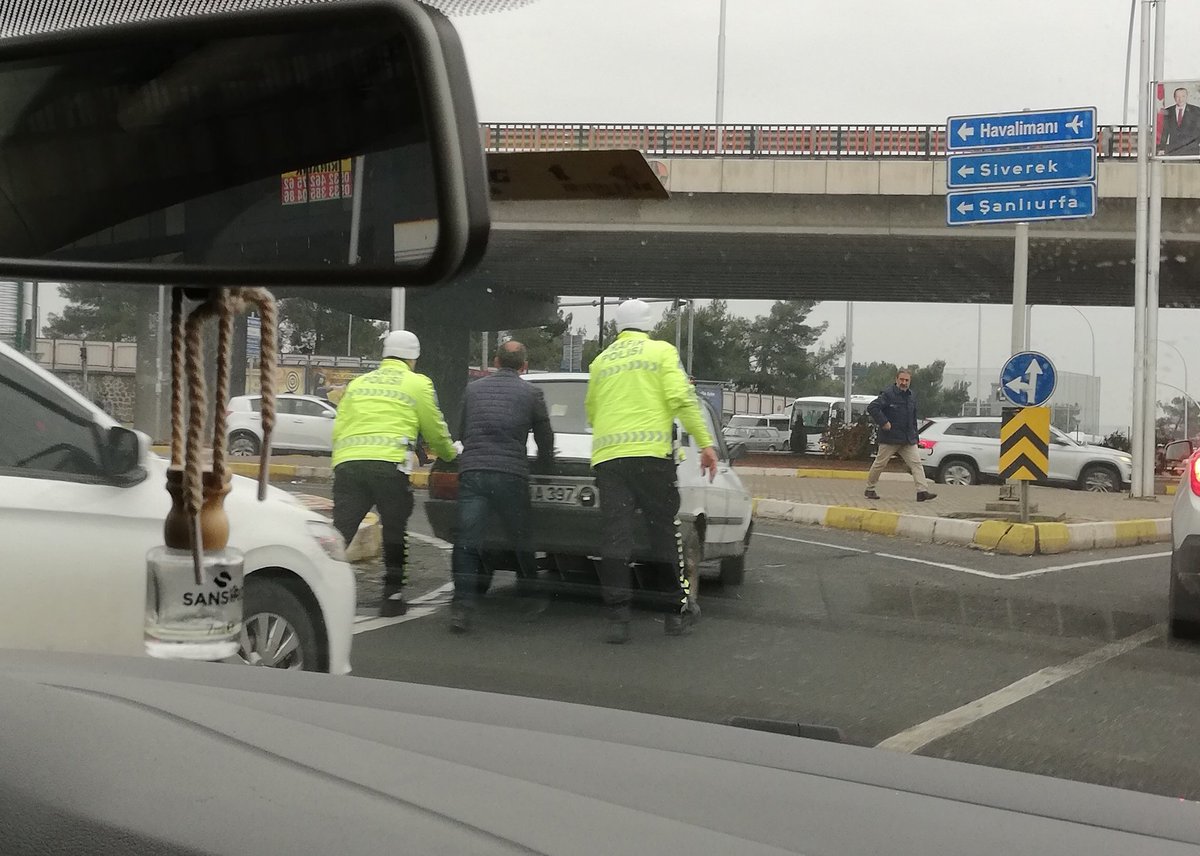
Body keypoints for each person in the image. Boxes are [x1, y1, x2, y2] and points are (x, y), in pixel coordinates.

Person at [585, 299, 717, 644]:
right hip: (650, 458)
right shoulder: (660, 352)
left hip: (608, 459)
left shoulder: (600, 361)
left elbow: (591, 412)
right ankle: (675, 614)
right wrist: (705, 444)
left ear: (618, 327)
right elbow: (682, 398)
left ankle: (617, 619)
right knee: (664, 533)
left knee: (615, 537)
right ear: (647, 325)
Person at [330, 329, 456, 617]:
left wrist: (339, 463)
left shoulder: (358, 383)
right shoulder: (418, 383)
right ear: (414, 358)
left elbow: (339, 427)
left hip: (349, 463)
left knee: (340, 533)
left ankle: (320, 589)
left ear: (385, 354)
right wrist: (450, 455)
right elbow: (435, 428)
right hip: (389, 466)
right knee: (396, 531)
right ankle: (392, 596)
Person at [450, 340, 555, 633]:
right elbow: (545, 438)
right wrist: (546, 468)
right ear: (524, 366)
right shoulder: (532, 393)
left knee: (467, 541)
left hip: (474, 471)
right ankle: (531, 597)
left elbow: (462, 432)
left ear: (495, 361)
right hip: (511, 474)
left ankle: (462, 608)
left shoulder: (473, 390)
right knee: (522, 538)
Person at [864, 369, 936, 502]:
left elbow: (912, 419)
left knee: (916, 464)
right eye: (901, 380)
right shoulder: (888, 394)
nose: (904, 383)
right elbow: (872, 407)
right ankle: (870, 488)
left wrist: (916, 438)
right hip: (889, 438)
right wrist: (884, 422)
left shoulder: (911, 396)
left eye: (906, 380)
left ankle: (922, 491)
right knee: (880, 464)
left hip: (907, 439)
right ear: (896, 380)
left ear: (910, 381)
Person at [1159, 87, 1200, 156]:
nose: (1180, 99)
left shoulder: (1196, 110)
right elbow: (1164, 132)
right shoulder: (1167, 111)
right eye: (1177, 96)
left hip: (1192, 150)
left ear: (1187, 97)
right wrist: (1162, 148)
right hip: (1173, 150)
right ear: (1174, 97)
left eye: (1183, 96)